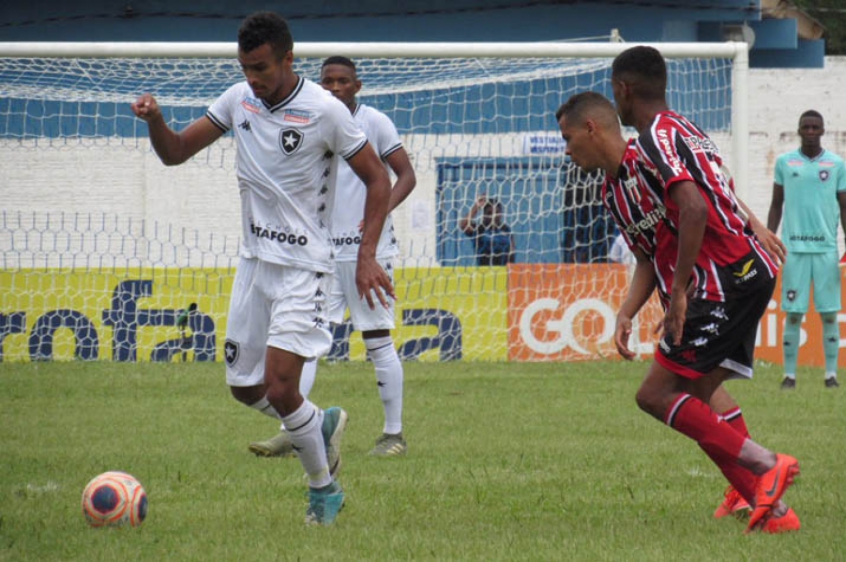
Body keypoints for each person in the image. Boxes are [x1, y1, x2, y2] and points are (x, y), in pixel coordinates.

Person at [131, 12, 394, 526]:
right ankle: (319, 425)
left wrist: (365, 256)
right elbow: (177, 153)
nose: (253, 77)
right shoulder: (238, 99)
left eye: (262, 67)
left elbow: (378, 179)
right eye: (246, 67)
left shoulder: (325, 111)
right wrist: (156, 122)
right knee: (244, 388)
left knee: (279, 387)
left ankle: (324, 491)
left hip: (306, 269)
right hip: (255, 265)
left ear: (288, 59)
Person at [557, 56, 798, 534]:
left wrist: (688, 286)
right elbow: (648, 253)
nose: (565, 151)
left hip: (721, 278)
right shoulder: (613, 192)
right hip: (722, 277)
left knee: (658, 394)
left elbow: (699, 201)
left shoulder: (648, 149)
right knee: (699, 392)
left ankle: (763, 465)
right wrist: (627, 311)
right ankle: (768, 508)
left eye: (567, 139)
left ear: (592, 125)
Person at [249, 55, 416, 459]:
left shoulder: (374, 123)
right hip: (320, 253)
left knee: (377, 339)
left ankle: (393, 434)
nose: (336, 87)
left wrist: (377, 217)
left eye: (344, 81)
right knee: (302, 343)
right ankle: (295, 429)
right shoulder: (311, 119)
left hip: (367, 253)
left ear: (357, 86)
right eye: (328, 81)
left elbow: (405, 175)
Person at [767, 110, 846, 390]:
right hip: (794, 250)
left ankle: (831, 375)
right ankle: (789, 375)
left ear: (823, 131)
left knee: (828, 313)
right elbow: (776, 204)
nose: (811, 131)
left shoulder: (836, 164)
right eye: (806, 127)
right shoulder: (785, 163)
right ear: (799, 131)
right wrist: (769, 239)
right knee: (794, 313)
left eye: (815, 127)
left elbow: (844, 206)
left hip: (825, 250)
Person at [459, 195, 515, 265]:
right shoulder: (480, 229)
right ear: (484, 215)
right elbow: (463, 225)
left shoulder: (506, 229)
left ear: (501, 214)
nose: (493, 215)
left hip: (503, 271)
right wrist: (476, 207)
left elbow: (512, 251)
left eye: (496, 212)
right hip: (485, 271)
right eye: (489, 213)